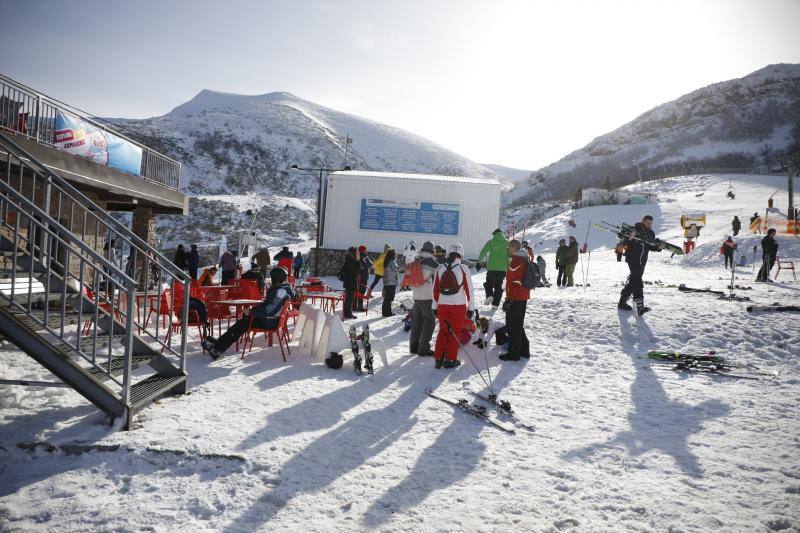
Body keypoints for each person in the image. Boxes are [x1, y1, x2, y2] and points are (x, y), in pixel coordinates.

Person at [201, 267, 295, 360]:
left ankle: (217, 349)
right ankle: (219, 344)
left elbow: (269, 310)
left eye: (272, 278)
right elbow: (268, 306)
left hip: (270, 321)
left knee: (242, 324)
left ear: (276, 278)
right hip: (270, 319)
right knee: (243, 322)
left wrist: (251, 312)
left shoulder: (280, 291)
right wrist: (252, 311)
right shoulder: (282, 289)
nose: (271, 280)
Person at [432, 243, 475, 369]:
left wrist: (435, 307)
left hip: (442, 305)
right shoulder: (463, 268)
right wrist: (471, 308)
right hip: (459, 306)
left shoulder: (440, 268)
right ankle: (450, 360)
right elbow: (470, 291)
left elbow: (435, 290)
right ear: (460, 254)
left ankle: (438, 359)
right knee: (454, 332)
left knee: (443, 331)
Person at [618, 215, 665, 314]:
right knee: (636, 280)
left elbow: (651, 247)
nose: (649, 225)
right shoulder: (634, 229)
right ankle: (637, 306)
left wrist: (659, 247)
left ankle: (627, 304)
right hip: (632, 259)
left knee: (635, 281)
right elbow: (624, 242)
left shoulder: (651, 233)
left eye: (651, 223)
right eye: (648, 223)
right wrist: (630, 238)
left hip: (642, 261)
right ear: (643, 221)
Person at [500, 240, 531, 361]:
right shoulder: (524, 259)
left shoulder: (516, 261)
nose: (508, 249)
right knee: (518, 324)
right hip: (522, 296)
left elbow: (513, 281)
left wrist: (509, 299)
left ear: (514, 248)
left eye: (509, 247)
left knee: (513, 325)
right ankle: (524, 350)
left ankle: (514, 353)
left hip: (516, 297)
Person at [409, 241, 439, 357]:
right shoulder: (434, 263)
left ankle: (414, 347)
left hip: (416, 296)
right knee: (429, 322)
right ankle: (423, 349)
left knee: (417, 322)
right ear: (432, 251)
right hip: (427, 297)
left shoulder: (417, 260)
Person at [478, 228, 509, 307]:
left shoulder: (491, 242)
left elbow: (483, 251)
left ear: (494, 234)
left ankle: (489, 295)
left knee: (489, 283)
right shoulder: (507, 243)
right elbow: (510, 256)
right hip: (503, 269)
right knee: (498, 285)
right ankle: (495, 304)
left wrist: (479, 262)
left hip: (492, 268)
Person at [340, 246, 360, 319]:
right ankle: (347, 314)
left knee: (349, 299)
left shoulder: (350, 260)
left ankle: (347, 313)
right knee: (349, 300)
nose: (358, 253)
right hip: (351, 283)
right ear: (354, 253)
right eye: (357, 252)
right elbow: (355, 272)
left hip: (349, 282)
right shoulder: (352, 261)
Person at [381, 248, 399, 317]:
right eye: (395, 254)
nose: (396, 255)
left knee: (386, 298)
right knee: (389, 298)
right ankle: (388, 313)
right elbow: (396, 269)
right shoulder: (392, 261)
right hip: (391, 282)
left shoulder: (387, 260)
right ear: (393, 255)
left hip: (387, 281)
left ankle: (384, 312)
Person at [356, 245, 373, 311]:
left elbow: (370, 264)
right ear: (363, 251)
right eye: (365, 250)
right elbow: (370, 264)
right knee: (361, 292)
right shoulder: (363, 257)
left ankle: (356, 306)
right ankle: (360, 307)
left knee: (359, 291)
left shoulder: (360, 256)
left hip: (362, 276)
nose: (366, 251)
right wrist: (368, 265)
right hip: (362, 277)